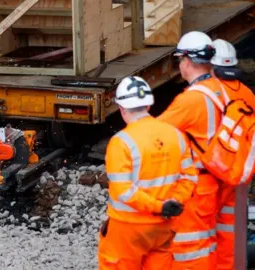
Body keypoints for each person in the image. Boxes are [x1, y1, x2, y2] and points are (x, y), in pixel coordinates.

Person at [98, 76, 198, 269]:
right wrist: (174, 203)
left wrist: (157, 206)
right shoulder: (175, 135)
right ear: (148, 106)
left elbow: (124, 192)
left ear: (122, 108)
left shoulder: (121, 142)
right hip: (163, 227)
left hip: (128, 228)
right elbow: (189, 176)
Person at [157, 31, 220, 269]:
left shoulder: (190, 100)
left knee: (189, 248)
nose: (179, 66)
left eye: (179, 60)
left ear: (188, 60)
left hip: (196, 186)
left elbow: (155, 131)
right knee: (207, 242)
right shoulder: (219, 89)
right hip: (215, 180)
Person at [209, 38, 255, 270]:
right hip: (240, 173)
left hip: (216, 172)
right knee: (233, 229)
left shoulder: (208, 94)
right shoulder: (248, 94)